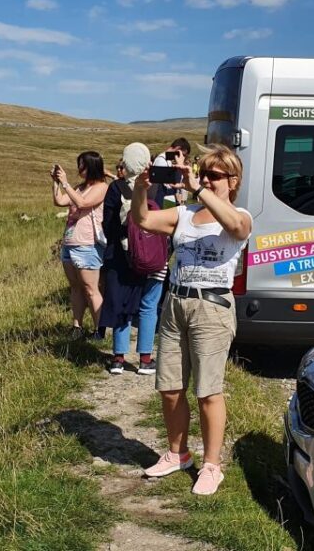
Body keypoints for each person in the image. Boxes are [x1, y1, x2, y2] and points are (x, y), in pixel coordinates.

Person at [133, 143, 252, 496]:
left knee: (208, 391)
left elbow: (236, 228)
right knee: (169, 388)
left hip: (212, 308)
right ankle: (177, 453)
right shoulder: (184, 213)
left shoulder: (240, 215)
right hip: (175, 304)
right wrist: (141, 188)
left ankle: (212, 465)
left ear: (233, 181)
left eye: (215, 176)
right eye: (204, 174)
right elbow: (143, 220)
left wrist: (196, 187)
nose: (207, 180)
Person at [99, 142, 165, 376]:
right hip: (154, 258)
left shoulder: (116, 188)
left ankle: (118, 358)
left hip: (122, 256)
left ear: (126, 162)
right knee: (148, 306)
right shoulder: (158, 187)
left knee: (121, 305)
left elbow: (108, 224)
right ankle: (145, 359)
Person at [52, 151, 108, 340]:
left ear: (92, 166)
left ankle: (99, 329)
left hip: (87, 244)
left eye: (82, 165)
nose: (79, 169)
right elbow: (59, 201)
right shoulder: (79, 187)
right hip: (70, 242)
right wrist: (56, 183)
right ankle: (77, 326)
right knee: (75, 287)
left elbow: (83, 203)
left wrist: (66, 184)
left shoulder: (101, 187)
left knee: (90, 288)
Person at [152, 137, 191, 208]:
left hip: (167, 201)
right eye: (183, 155)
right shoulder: (161, 160)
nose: (183, 157)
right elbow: (166, 185)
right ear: (178, 149)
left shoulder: (168, 160)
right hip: (161, 202)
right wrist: (180, 166)